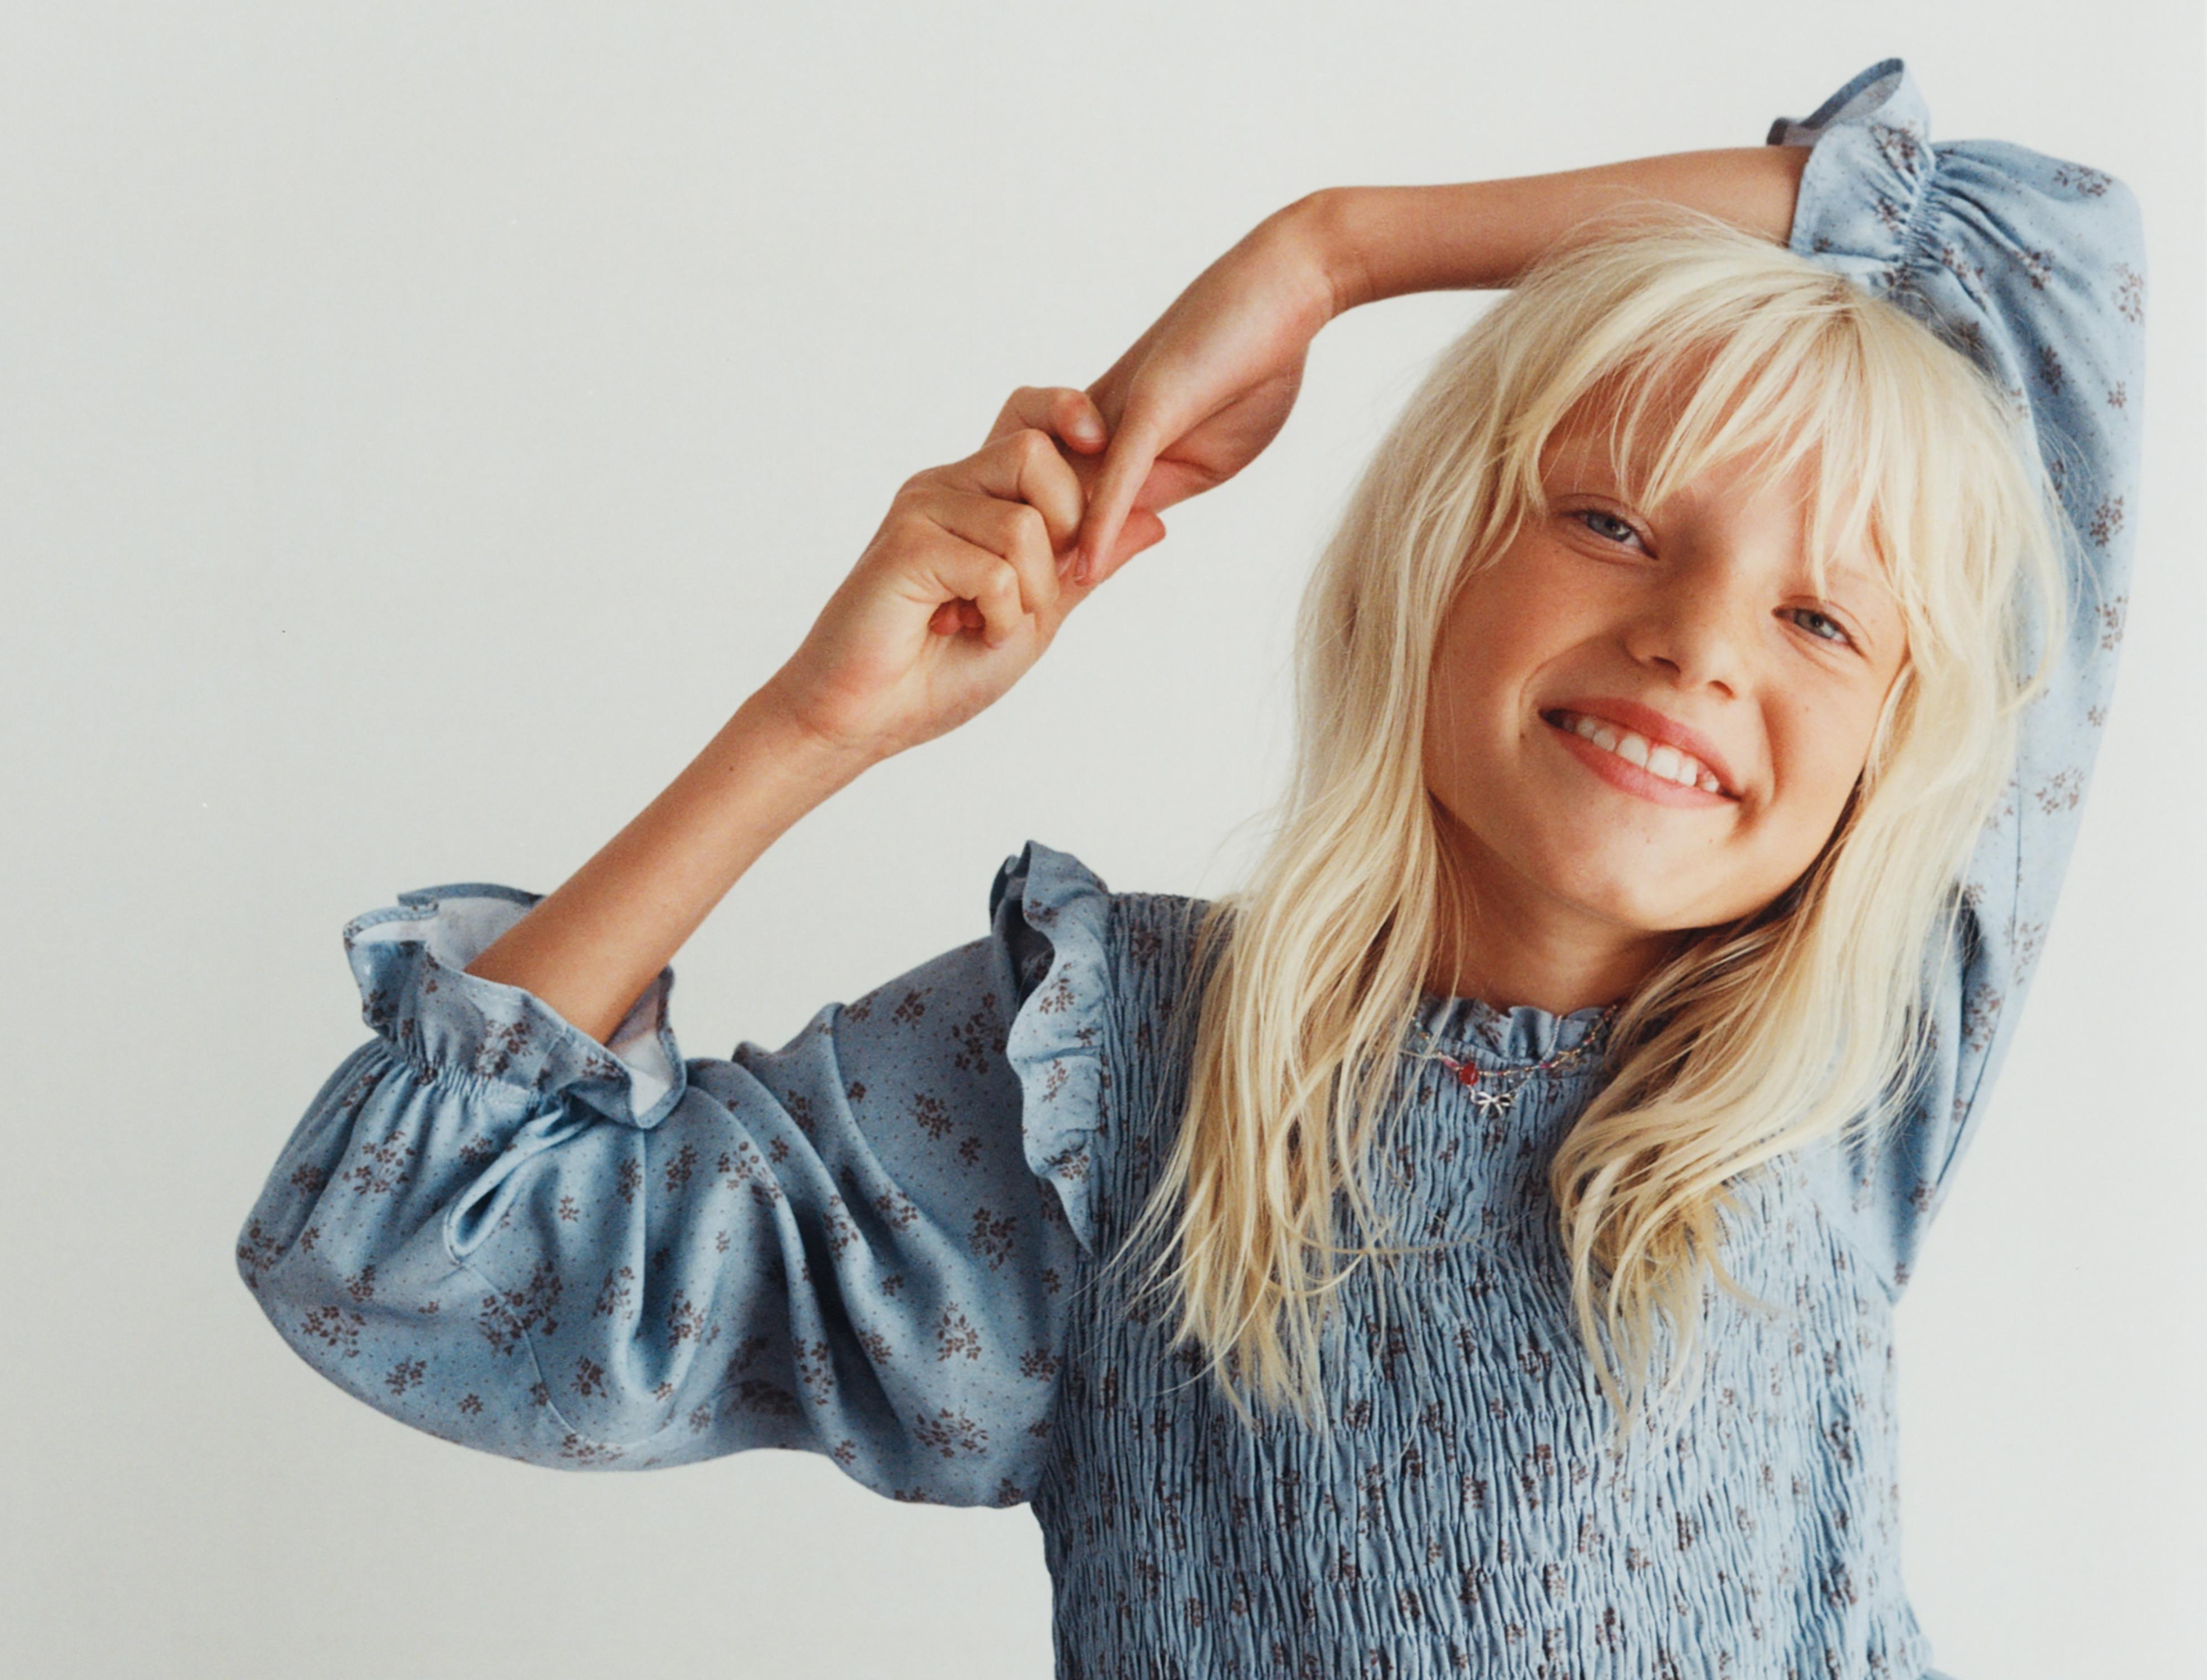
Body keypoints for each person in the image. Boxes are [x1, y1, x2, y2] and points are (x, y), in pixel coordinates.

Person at [235, 59, 2145, 1677]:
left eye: (1822, 620)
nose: (1702, 643)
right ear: (1438, 555)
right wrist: (810, 728)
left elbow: (2027, 254)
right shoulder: (1117, 1081)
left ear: (1898, 746)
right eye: (1614, 522)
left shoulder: (1850, 1067)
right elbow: (403, 1247)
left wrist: (1337, 251)